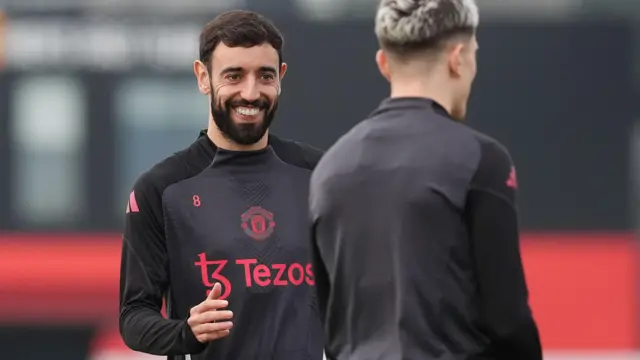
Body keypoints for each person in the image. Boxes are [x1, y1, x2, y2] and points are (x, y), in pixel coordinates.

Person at [309, 1, 542, 359]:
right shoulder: (480, 159)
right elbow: (508, 320)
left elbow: (329, 321)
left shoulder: (329, 168)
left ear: (384, 64)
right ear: (458, 58)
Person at [119, 10, 324, 360]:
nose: (250, 92)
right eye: (234, 75)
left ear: (281, 78)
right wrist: (186, 332)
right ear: (203, 77)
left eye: (265, 76)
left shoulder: (320, 174)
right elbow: (134, 316)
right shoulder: (161, 189)